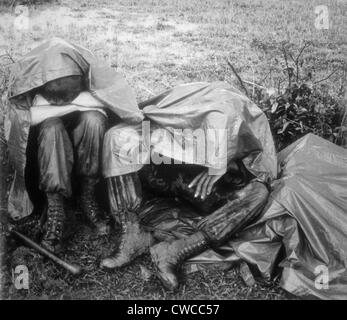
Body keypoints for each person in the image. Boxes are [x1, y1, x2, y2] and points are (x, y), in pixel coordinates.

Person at [99, 82, 277, 291]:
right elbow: (124, 134)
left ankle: (179, 249)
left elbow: (259, 168)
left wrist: (220, 162)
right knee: (119, 138)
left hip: (210, 188)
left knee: (258, 192)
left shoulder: (237, 115)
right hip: (167, 172)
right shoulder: (180, 107)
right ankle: (132, 232)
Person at [6, 38, 143, 253]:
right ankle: (56, 209)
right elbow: (26, 119)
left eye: (72, 95)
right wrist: (72, 105)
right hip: (44, 152)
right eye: (56, 98)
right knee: (52, 128)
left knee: (94, 120)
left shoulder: (88, 66)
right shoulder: (32, 74)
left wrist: (65, 104)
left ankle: (87, 195)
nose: (64, 101)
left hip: (82, 147)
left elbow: (106, 104)